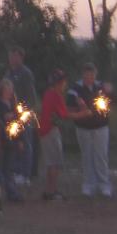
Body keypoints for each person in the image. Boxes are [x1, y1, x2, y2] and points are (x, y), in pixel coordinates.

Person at [39, 70, 92, 200]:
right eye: (63, 81)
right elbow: (65, 115)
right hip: (50, 130)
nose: (65, 84)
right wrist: (83, 114)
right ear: (59, 83)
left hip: (45, 130)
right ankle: (52, 192)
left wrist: (80, 110)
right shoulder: (56, 95)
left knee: (51, 163)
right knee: (55, 162)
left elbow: (62, 111)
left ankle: (48, 190)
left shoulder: (49, 93)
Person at [67, 63, 114, 198]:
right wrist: (81, 109)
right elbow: (69, 107)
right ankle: (89, 185)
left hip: (101, 127)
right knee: (87, 155)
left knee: (101, 156)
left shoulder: (101, 87)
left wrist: (110, 92)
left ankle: (104, 185)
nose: (90, 78)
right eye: (87, 75)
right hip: (83, 128)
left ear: (95, 74)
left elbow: (112, 102)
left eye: (92, 75)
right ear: (83, 74)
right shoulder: (75, 89)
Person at [6, 46, 38, 183]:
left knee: (25, 143)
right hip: (11, 114)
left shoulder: (26, 73)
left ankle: (25, 174)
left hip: (23, 114)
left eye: (15, 56)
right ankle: (15, 171)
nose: (12, 59)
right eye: (11, 56)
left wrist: (24, 112)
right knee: (14, 143)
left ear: (21, 57)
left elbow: (31, 96)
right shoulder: (9, 74)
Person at [0, 79, 23, 203]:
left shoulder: (13, 105)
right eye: (7, 90)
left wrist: (20, 140)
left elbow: (18, 123)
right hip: (1, 140)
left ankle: (11, 193)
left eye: (10, 90)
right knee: (0, 168)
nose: (9, 92)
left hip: (11, 140)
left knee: (8, 168)